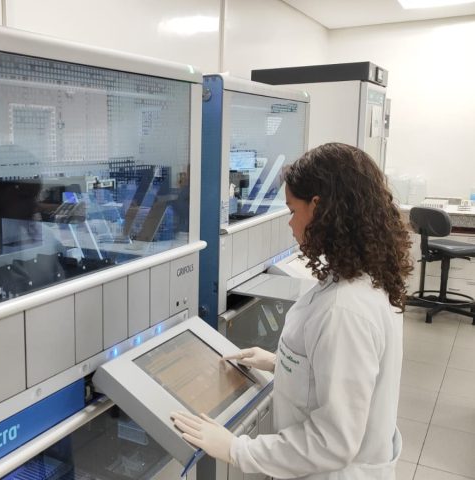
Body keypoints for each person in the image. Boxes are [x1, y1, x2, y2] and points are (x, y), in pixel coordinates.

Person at [172, 142, 413, 479]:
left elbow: (332, 443)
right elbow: (343, 374)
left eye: (292, 210)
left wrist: (235, 448)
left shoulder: (345, 310)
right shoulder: (365, 277)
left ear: (319, 208)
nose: (290, 223)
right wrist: (282, 364)